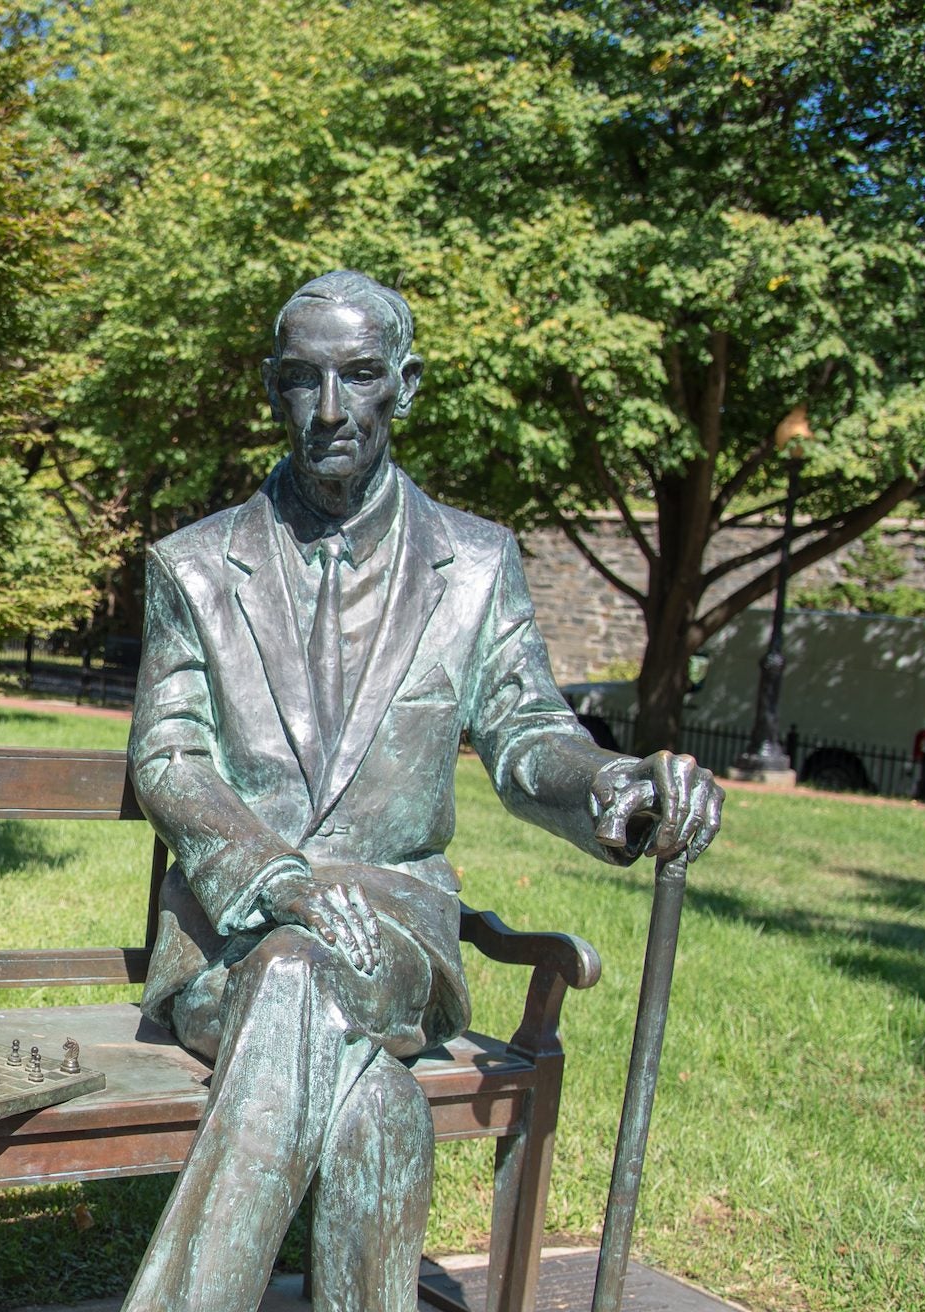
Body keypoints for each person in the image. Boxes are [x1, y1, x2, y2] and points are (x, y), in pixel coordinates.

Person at [123, 271, 723, 1312]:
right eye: (303, 379)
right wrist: (280, 879)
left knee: (307, 986)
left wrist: (614, 781)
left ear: (404, 385)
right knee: (373, 1110)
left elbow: (530, 733)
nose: (330, 408)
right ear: (272, 388)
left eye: (358, 376)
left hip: (397, 940)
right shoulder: (194, 566)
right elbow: (168, 755)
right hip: (232, 948)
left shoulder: (479, 566)